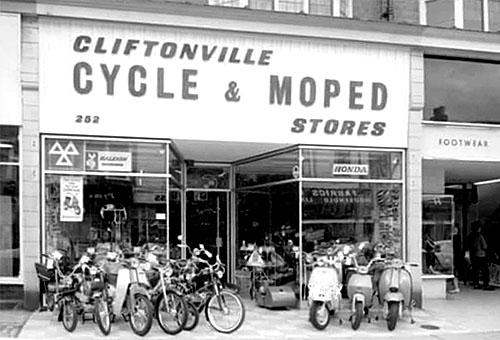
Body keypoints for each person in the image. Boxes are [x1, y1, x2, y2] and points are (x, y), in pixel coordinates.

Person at [467, 221, 493, 290]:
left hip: (473, 255)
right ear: (479, 228)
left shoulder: (470, 236)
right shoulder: (480, 236)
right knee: (485, 271)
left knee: (475, 270)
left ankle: (476, 283)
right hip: (481, 255)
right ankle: (486, 284)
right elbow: (484, 246)